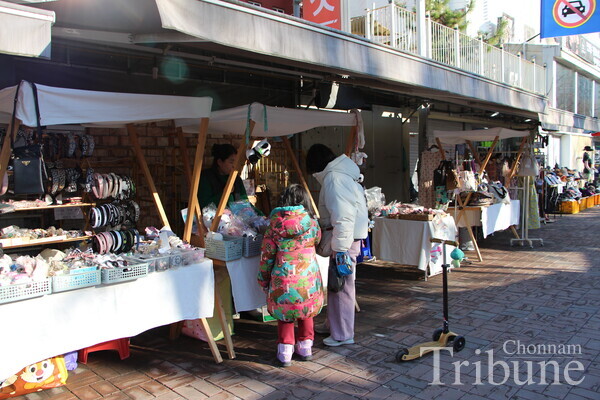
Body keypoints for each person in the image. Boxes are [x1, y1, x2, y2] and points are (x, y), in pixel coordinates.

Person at [305, 144, 369, 347]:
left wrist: (340, 249)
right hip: (348, 238)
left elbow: (343, 216)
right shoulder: (342, 173)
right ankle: (334, 324)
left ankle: (342, 334)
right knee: (336, 285)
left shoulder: (334, 178)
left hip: (344, 240)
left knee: (341, 287)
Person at [257, 184, 323, 367]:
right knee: (306, 308)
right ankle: (305, 346)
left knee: (285, 312)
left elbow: (267, 255)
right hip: (308, 276)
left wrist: (263, 278)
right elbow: (317, 239)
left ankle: (285, 350)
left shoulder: (273, 225)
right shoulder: (312, 223)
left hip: (283, 276)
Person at [198, 143, 248, 210]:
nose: (234, 166)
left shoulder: (236, 179)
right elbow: (203, 204)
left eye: (236, 162)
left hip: (237, 218)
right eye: (231, 162)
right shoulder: (206, 178)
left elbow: (245, 202)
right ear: (219, 162)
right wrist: (224, 193)